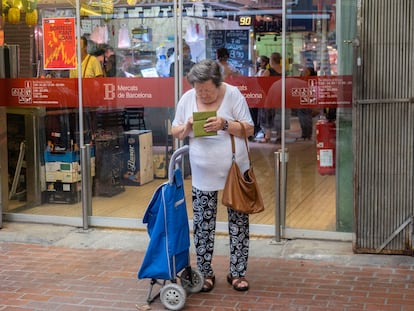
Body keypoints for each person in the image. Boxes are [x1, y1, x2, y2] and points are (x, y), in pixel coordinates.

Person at [171, 59, 254, 292]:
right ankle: (205, 272)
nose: (203, 94)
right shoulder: (188, 99)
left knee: (238, 223)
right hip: (202, 173)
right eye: (199, 90)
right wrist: (186, 127)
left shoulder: (233, 95)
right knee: (202, 224)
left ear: (218, 84)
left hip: (234, 171)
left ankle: (237, 273)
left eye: (207, 89)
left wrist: (225, 124)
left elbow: (249, 128)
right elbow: (175, 130)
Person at [257, 52, 282, 142]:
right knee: (279, 116)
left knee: (267, 116)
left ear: (272, 60)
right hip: (280, 96)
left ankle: (267, 136)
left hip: (270, 96)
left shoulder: (269, 71)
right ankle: (280, 135)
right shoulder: (283, 71)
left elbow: (261, 82)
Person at [297, 66, 317, 140]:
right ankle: (304, 134)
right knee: (302, 118)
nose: (303, 73)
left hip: (307, 102)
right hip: (302, 101)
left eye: (305, 72)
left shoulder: (311, 81)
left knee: (306, 117)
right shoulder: (302, 80)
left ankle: (307, 134)